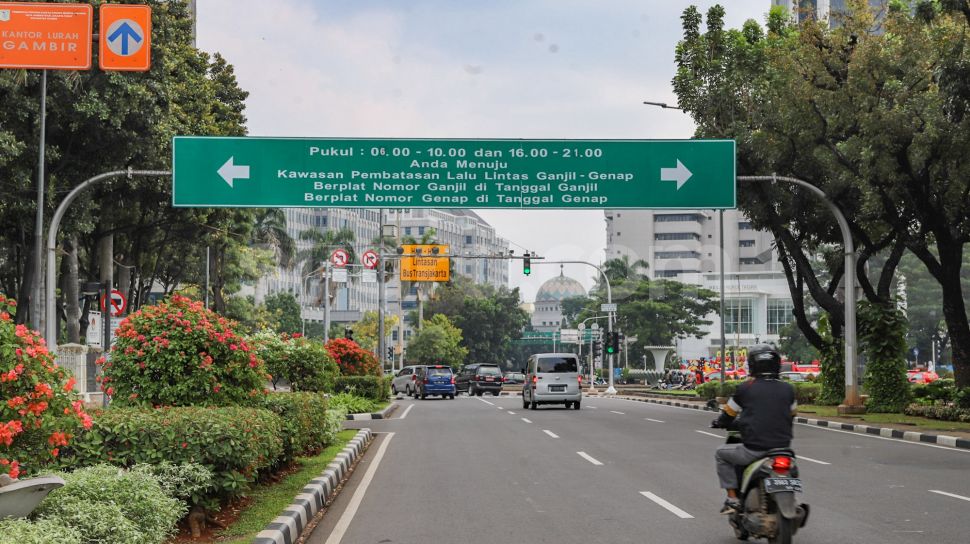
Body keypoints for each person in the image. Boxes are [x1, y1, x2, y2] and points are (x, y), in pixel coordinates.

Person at [711, 344, 797, 515]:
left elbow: (728, 414)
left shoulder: (745, 388)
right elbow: (792, 414)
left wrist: (719, 422)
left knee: (721, 454)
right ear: (777, 364)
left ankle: (732, 499)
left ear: (752, 365)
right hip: (783, 450)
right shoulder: (788, 389)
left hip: (754, 449)